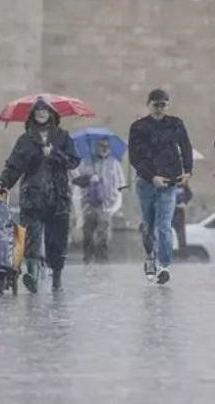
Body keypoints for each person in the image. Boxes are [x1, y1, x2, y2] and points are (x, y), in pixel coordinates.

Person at [0, 98, 80, 292]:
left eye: (45, 110)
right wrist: (2, 184)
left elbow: (74, 161)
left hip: (58, 197)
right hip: (32, 196)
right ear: (33, 115)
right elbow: (13, 166)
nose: (41, 113)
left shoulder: (63, 137)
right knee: (31, 238)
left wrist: (54, 154)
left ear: (52, 114)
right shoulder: (25, 140)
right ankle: (32, 275)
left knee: (56, 241)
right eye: (38, 110)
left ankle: (56, 278)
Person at [128, 89, 193, 284]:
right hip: (146, 183)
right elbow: (134, 157)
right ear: (149, 105)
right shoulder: (138, 127)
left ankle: (164, 265)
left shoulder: (175, 124)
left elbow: (186, 147)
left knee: (164, 225)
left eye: (163, 105)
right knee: (148, 225)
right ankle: (150, 258)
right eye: (156, 105)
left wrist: (188, 171)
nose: (159, 109)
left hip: (169, 182)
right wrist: (151, 176)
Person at [73, 137, 126, 263]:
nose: (104, 148)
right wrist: (89, 178)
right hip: (89, 205)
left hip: (106, 206)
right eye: (101, 145)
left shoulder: (115, 164)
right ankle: (88, 259)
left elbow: (121, 185)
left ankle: (102, 262)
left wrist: (116, 205)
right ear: (95, 147)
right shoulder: (86, 162)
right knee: (88, 234)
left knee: (103, 235)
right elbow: (75, 180)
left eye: (106, 146)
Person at [172, 184, 193, 256]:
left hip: (179, 212)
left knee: (181, 235)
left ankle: (182, 255)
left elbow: (189, 194)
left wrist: (184, 202)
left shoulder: (182, 184)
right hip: (167, 212)